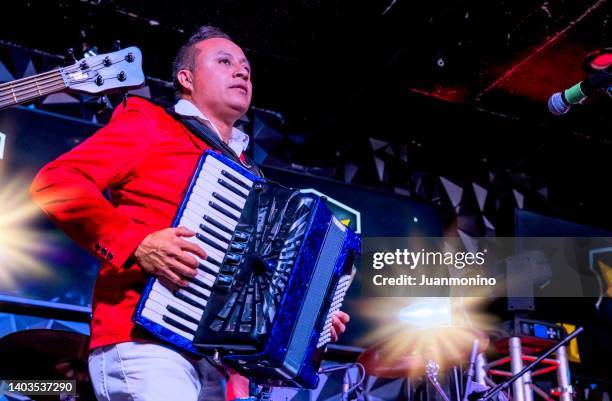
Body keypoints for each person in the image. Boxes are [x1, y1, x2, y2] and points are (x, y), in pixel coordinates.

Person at [30, 26, 350, 401]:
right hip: (143, 341)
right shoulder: (149, 123)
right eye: (225, 61)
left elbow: (254, 281)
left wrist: (310, 317)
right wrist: (136, 242)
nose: (242, 71)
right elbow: (56, 182)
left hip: (215, 364)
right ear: (186, 78)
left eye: (246, 67)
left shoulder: (251, 172)